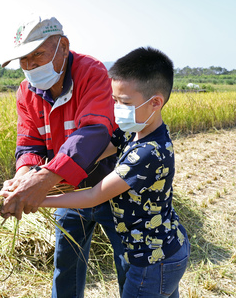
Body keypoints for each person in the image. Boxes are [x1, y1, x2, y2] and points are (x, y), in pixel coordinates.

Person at [40, 47, 190, 298]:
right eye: (114, 100)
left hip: (152, 262)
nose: (117, 108)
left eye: (125, 102)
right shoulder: (132, 132)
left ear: (155, 103)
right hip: (165, 249)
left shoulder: (147, 153)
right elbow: (98, 151)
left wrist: (39, 199)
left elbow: (93, 196)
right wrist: (47, 174)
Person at [0, 14, 128, 297]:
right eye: (24, 60)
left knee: (127, 262)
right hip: (67, 188)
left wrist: (43, 179)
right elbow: (29, 144)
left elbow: (94, 132)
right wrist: (22, 180)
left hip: (112, 185)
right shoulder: (27, 91)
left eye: (38, 56)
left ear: (64, 47)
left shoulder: (90, 73)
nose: (31, 67)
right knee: (66, 264)